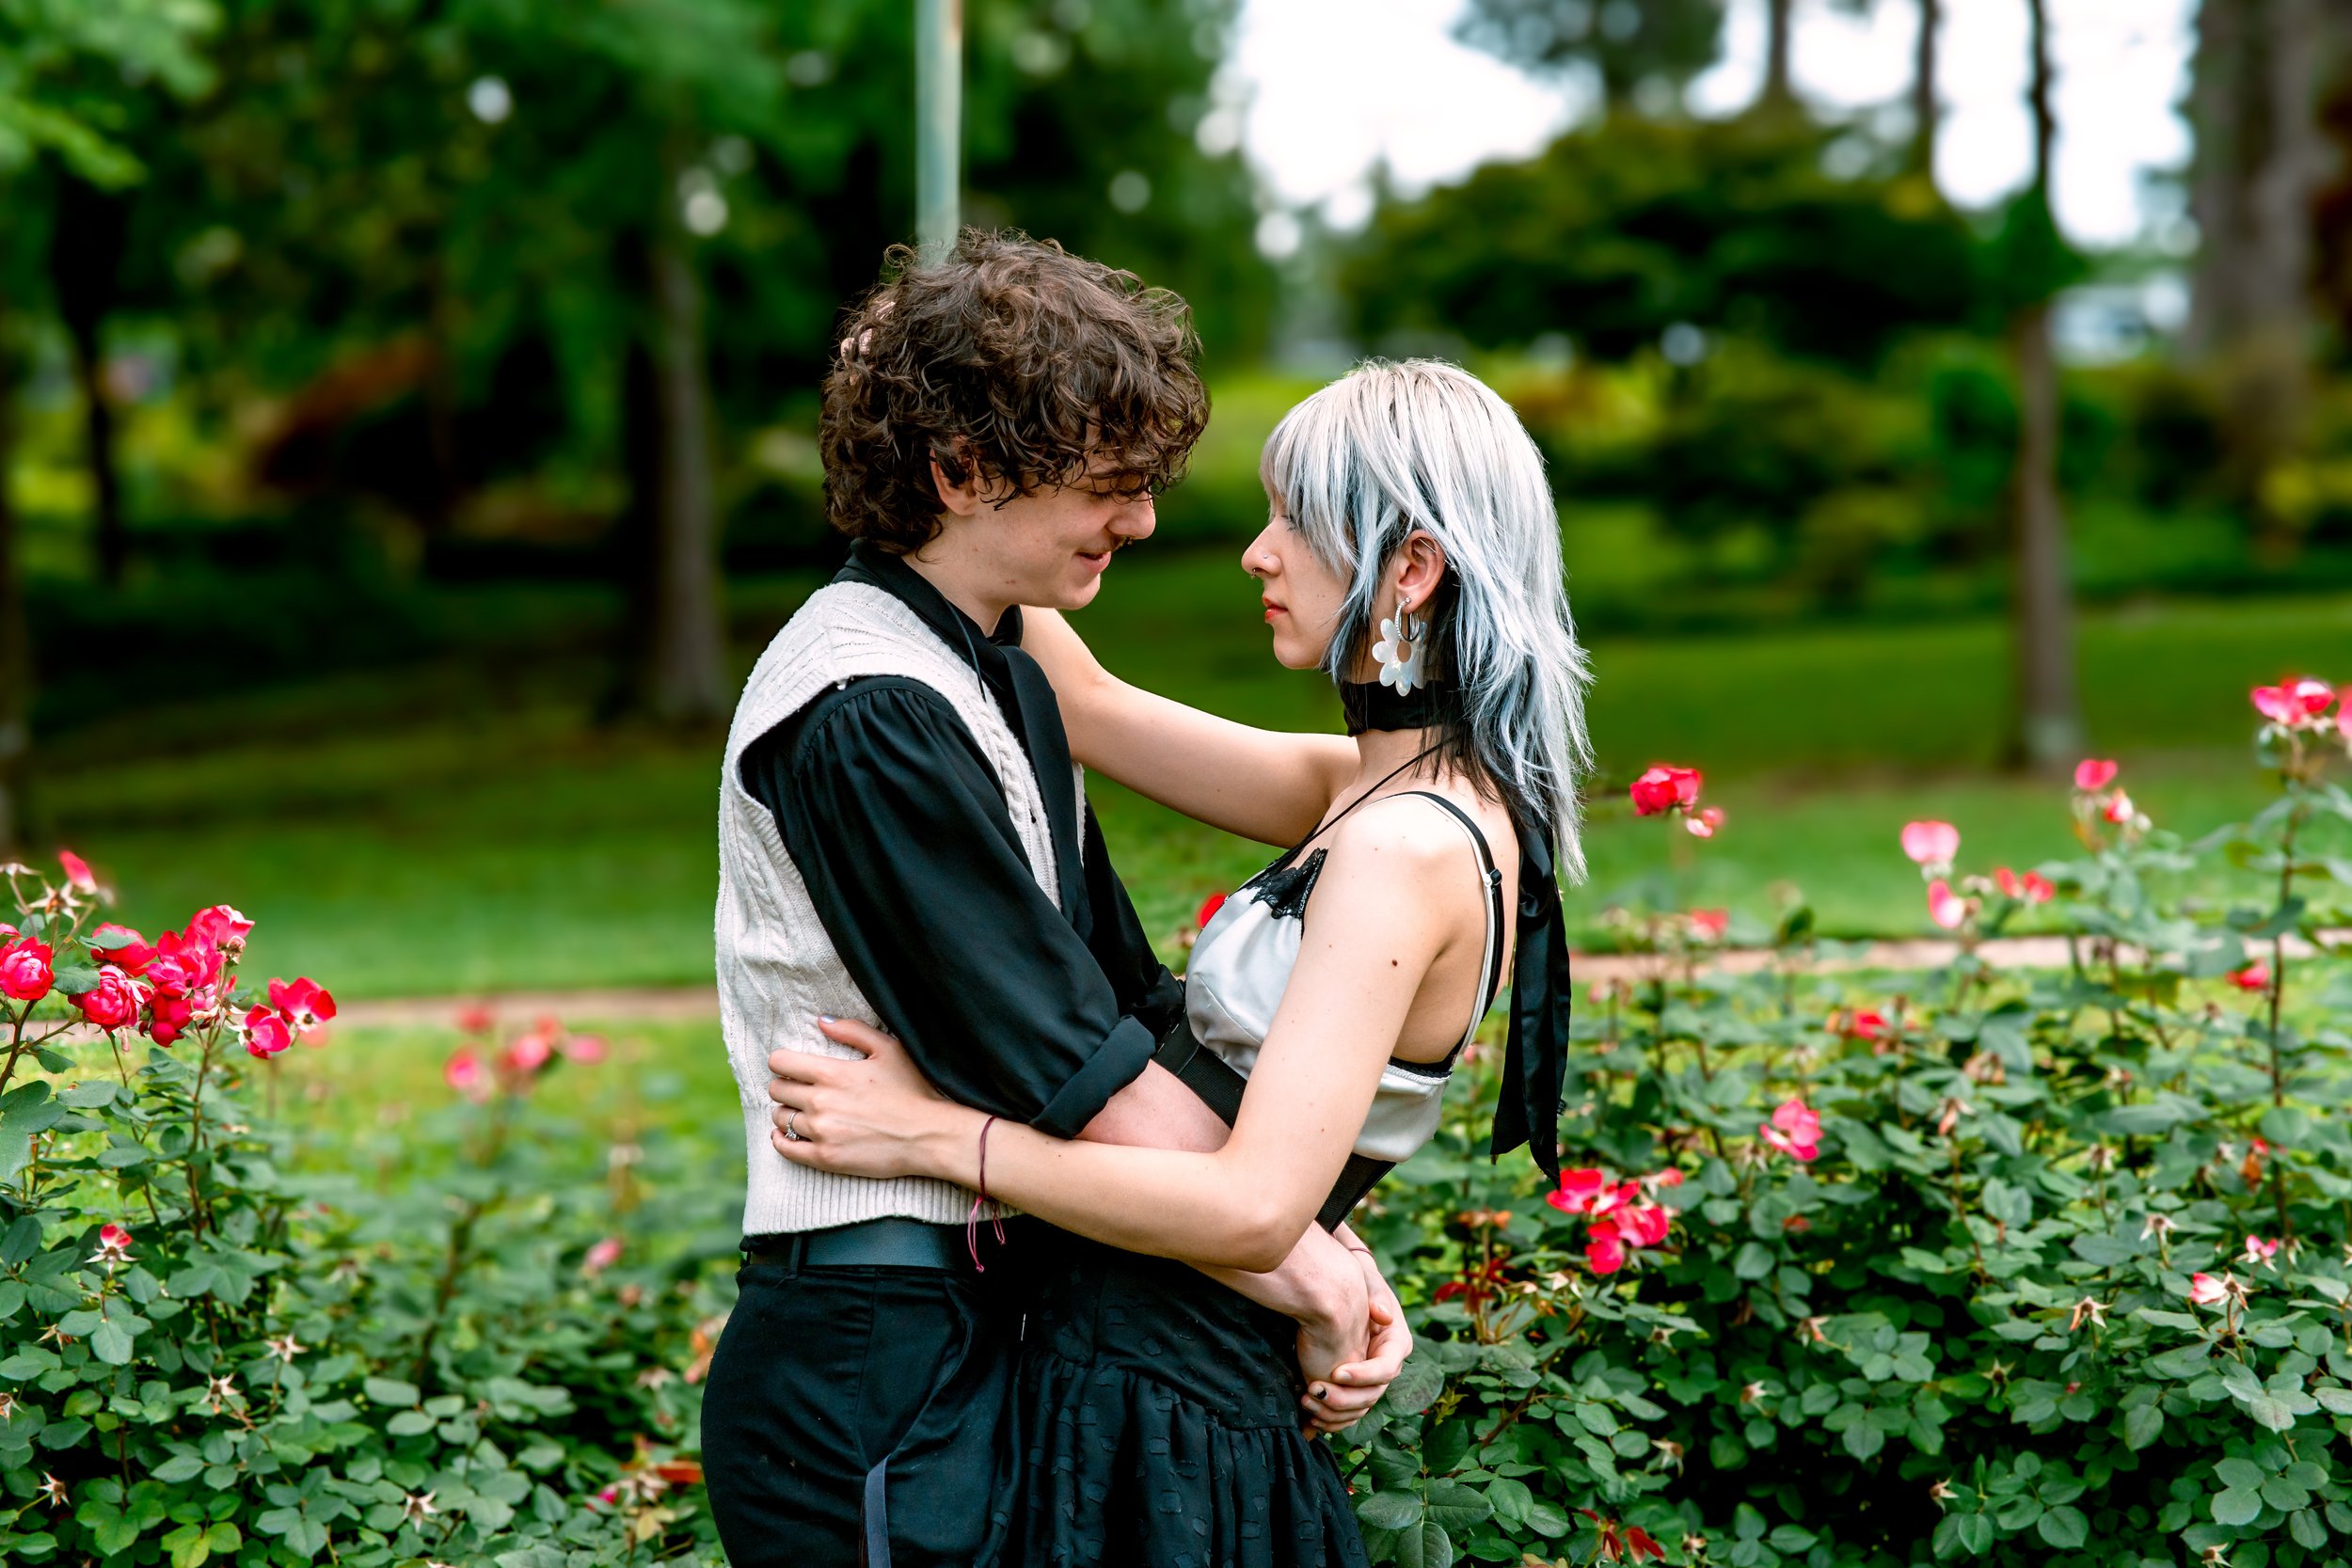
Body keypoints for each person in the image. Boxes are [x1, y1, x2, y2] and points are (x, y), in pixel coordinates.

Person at [767, 357, 1587, 1567]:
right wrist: (939, 422)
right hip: (1139, 1357)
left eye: (1294, 524)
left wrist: (935, 1136)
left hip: (1172, 1394)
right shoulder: (1366, 789)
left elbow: (1253, 1207)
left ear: (1408, 568)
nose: (1257, 553)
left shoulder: (1407, 845)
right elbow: (1086, 702)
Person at [700, 232, 1406, 1568]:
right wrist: (1309, 1268)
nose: (1140, 523)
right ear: (960, 473)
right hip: (869, 1371)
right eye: (1109, 487)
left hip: (984, 1324)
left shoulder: (997, 669)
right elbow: (1073, 1072)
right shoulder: (863, 712)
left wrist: (1313, 1254)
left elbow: (1118, 1005)